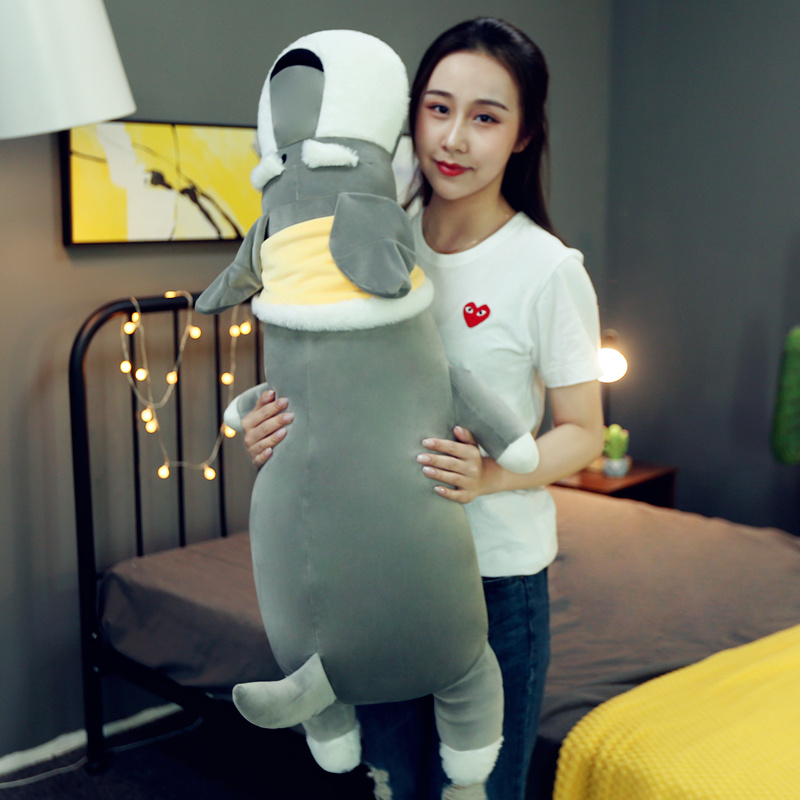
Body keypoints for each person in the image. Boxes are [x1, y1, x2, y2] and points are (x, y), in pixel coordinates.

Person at [239, 17, 603, 800]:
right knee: (395, 783)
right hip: (373, 569)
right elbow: (321, 379)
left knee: (481, 786)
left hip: (497, 576)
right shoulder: (366, 241)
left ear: (523, 135)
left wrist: (489, 477)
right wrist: (271, 426)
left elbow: (584, 431)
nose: (454, 138)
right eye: (438, 109)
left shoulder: (545, 268)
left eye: (485, 117)